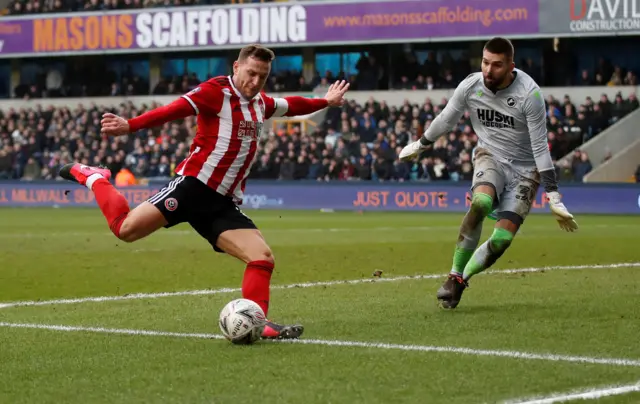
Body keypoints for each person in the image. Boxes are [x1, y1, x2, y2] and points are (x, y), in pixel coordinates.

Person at [58, 44, 350, 338]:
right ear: (236, 67)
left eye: (262, 76)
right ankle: (95, 178)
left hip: (222, 203)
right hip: (192, 188)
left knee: (262, 258)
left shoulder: (261, 103)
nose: (255, 81)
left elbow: (293, 105)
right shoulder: (216, 91)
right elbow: (175, 110)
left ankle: (259, 323)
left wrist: (325, 101)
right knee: (125, 229)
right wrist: (130, 125)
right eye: (250, 73)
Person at [399, 37, 578, 309]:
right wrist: (420, 145)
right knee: (481, 202)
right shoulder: (471, 85)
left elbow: (541, 147)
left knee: (502, 240)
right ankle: (454, 273)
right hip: (490, 155)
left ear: (510, 66)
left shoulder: (530, 94)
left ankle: (461, 280)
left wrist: (553, 196)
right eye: (485, 62)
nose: (488, 70)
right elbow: (447, 118)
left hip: (526, 169)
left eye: (496, 65)